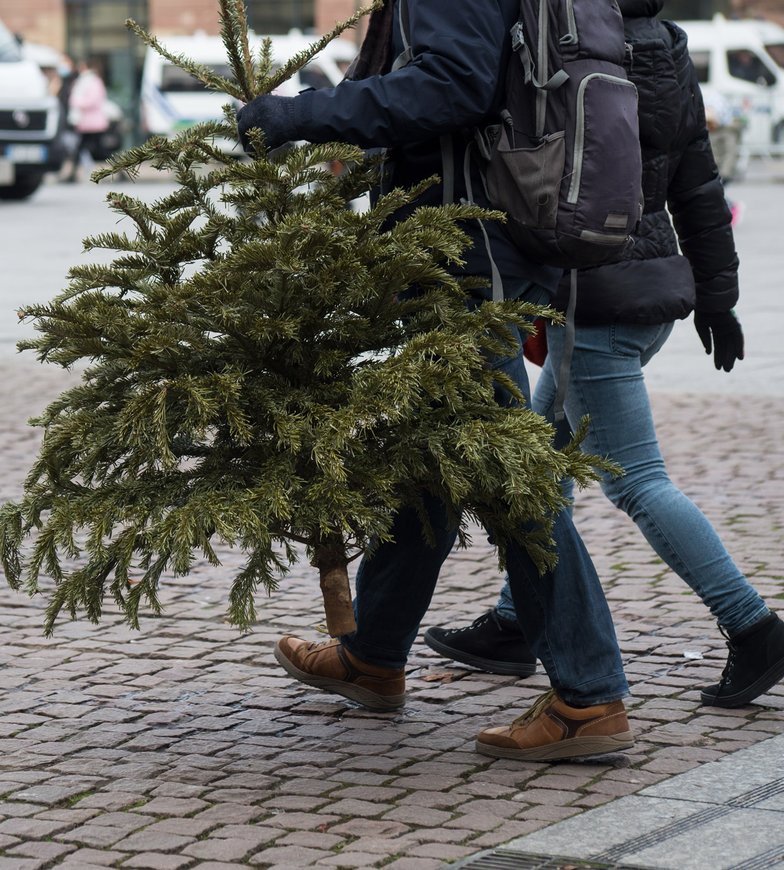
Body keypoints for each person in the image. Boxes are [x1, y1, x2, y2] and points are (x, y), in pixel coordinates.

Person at [237, 0, 635, 761]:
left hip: (464, 255)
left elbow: (450, 87)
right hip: (471, 247)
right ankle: (375, 653)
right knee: (435, 464)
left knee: (506, 470)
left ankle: (589, 696)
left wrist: (298, 115)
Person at [423, 0, 784, 710]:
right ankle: (515, 619)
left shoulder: (564, 43)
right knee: (546, 459)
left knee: (636, 481)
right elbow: (698, 178)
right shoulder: (662, 43)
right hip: (649, 287)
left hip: (592, 300)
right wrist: (718, 298)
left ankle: (755, 628)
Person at [63, 58, 109, 183]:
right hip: (85, 124)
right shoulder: (83, 81)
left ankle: (122, 170)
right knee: (81, 149)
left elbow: (93, 101)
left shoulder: (94, 82)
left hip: (94, 124)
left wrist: (76, 102)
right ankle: (72, 174)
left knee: (101, 151)